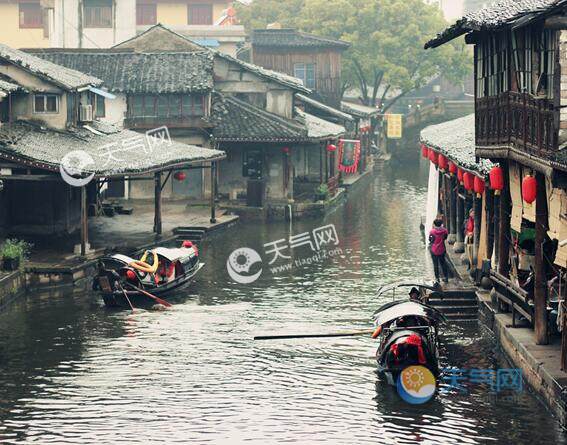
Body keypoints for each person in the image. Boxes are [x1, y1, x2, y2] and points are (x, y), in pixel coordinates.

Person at [429, 219, 449, 284]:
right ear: (441, 224)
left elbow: (430, 240)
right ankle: (446, 277)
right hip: (442, 249)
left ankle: (437, 279)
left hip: (434, 250)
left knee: (435, 265)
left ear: (434, 224)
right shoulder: (445, 231)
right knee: (443, 264)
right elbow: (445, 238)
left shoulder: (432, 231)